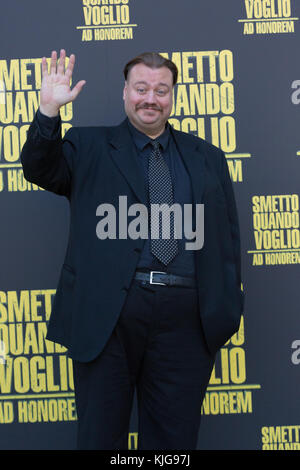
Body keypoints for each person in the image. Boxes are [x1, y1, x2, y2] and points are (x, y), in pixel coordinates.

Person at [20, 49, 244, 450]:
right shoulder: (88, 145)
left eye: (161, 90)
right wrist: (48, 112)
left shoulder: (207, 157)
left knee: (175, 444)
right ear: (125, 92)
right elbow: (40, 169)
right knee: (100, 439)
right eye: (141, 88)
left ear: (172, 96)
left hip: (186, 321)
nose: (150, 98)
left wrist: (226, 309)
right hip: (109, 319)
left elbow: (227, 240)